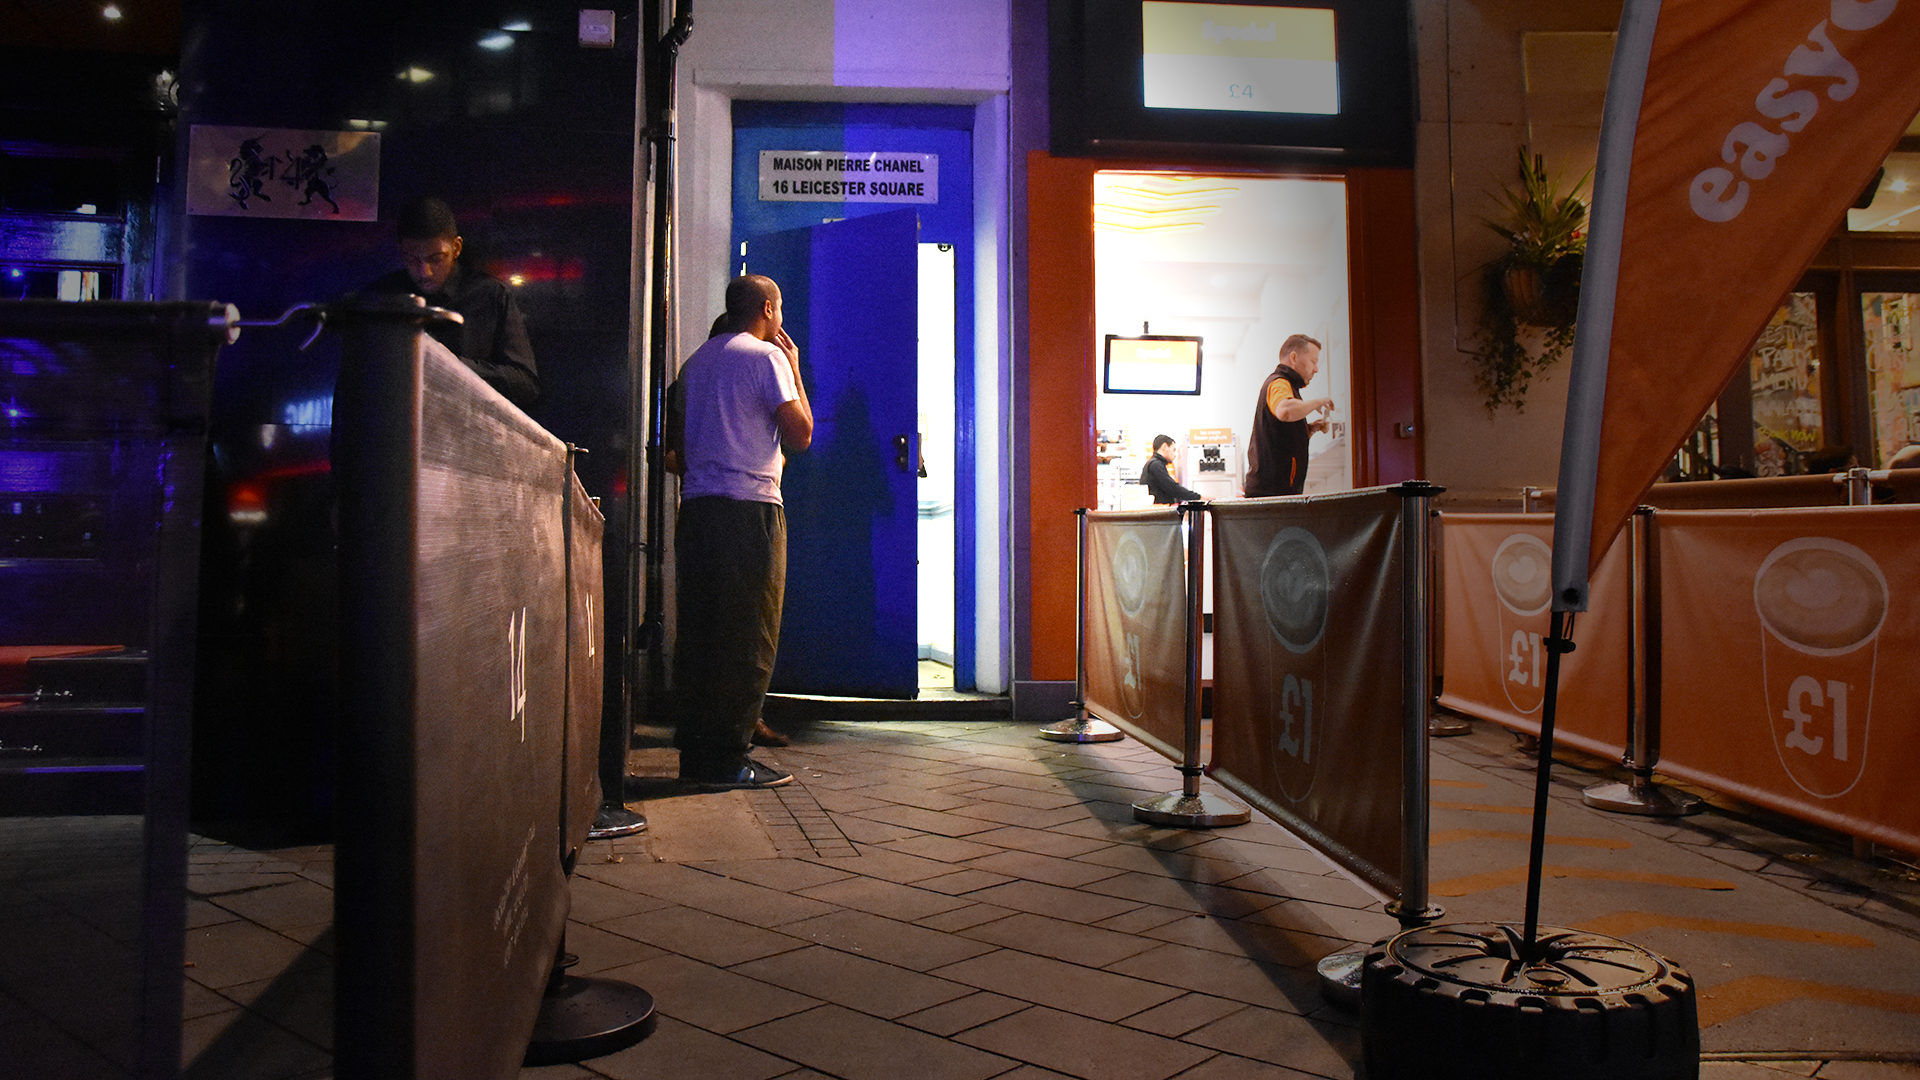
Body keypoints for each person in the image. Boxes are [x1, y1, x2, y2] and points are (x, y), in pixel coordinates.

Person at [667, 275, 812, 788]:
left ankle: (696, 757)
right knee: (749, 634)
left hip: (698, 510)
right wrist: (793, 367)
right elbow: (800, 435)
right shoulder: (766, 357)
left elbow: (677, 452)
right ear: (769, 308)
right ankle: (729, 759)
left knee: (701, 635)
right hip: (750, 511)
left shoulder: (695, 363)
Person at [364, 195, 541, 409]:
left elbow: (525, 384)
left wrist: (451, 367)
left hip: (468, 431)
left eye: (436, 259)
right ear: (402, 251)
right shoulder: (381, 296)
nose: (424, 272)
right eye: (413, 260)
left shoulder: (490, 295)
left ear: (456, 248)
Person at [1244, 333, 1335, 497]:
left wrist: (1310, 429)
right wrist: (1318, 402)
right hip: (1272, 494)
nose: (1316, 369)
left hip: (1273, 492)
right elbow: (1285, 411)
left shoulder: (1286, 385)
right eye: (1313, 362)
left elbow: (1281, 436)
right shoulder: (1279, 382)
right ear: (1293, 357)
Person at [1140, 434, 1202, 504]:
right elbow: (1172, 488)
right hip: (1159, 511)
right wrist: (1198, 497)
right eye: (1173, 450)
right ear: (1165, 446)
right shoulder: (1156, 465)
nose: (1175, 455)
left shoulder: (1153, 463)